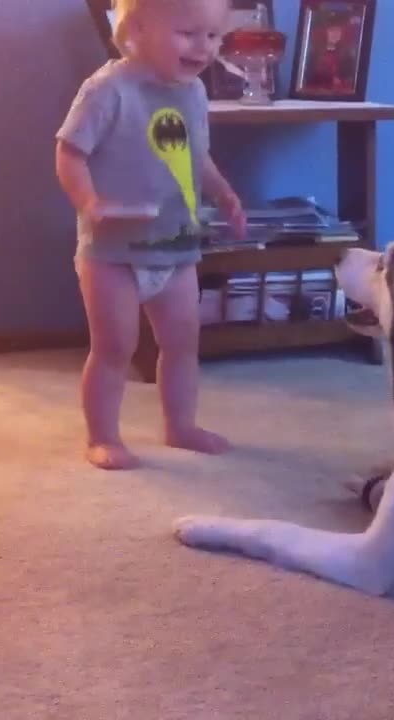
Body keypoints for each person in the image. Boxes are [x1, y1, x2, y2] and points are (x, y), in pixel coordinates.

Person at [55, 0, 247, 470]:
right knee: (115, 346)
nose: (202, 47)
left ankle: (180, 425)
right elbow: (70, 154)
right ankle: (103, 436)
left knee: (183, 342)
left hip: (177, 246)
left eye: (213, 36)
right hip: (112, 252)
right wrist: (90, 203)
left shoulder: (195, 93)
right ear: (136, 29)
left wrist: (223, 192)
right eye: (187, 33)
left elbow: (196, 157)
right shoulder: (107, 89)